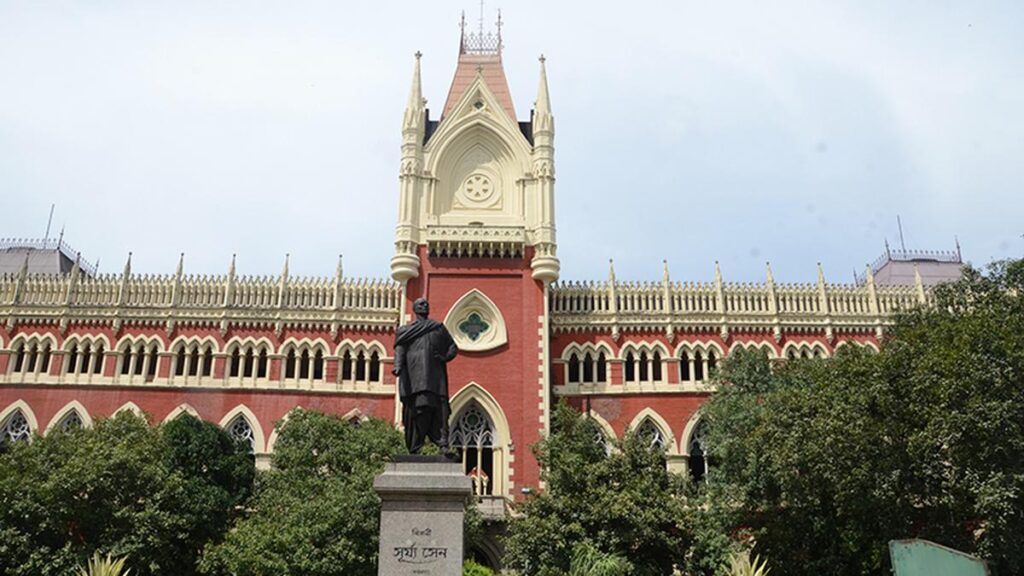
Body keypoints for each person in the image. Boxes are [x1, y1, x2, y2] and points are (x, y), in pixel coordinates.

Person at [392, 298, 458, 454]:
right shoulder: (405, 330)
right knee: (418, 409)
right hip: (415, 378)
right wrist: (398, 366)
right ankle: (416, 445)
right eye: (420, 304)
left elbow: (453, 347)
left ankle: (443, 444)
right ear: (414, 309)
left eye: (426, 304)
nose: (425, 305)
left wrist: (445, 357)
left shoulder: (438, 328)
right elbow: (399, 350)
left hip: (436, 377)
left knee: (441, 410)